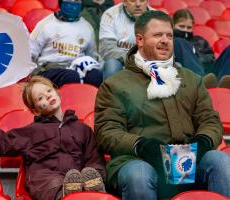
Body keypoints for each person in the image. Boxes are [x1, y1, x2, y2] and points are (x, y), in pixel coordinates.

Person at [94, 10, 230, 199]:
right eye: (158, 35)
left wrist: (202, 142)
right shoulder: (115, 84)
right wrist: (141, 145)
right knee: (138, 174)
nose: (165, 40)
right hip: (139, 160)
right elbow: (106, 132)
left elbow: (210, 120)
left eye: (169, 35)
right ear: (140, 40)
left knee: (221, 160)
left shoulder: (191, 80)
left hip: (188, 161)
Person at [0, 76, 106, 200]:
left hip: (76, 176)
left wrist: (96, 174)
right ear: (35, 110)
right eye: (40, 98)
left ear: (57, 92)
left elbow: (94, 158)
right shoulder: (32, 131)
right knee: (47, 181)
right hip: (45, 177)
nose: (47, 97)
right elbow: (4, 143)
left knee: (88, 173)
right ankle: (66, 194)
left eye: (49, 91)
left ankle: (87, 190)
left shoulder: (82, 129)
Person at [29, 0, 103, 88]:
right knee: (71, 76)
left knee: (95, 76)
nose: (72, 4)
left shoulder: (87, 27)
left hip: (77, 67)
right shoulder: (45, 24)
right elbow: (30, 53)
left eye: (76, 1)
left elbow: (92, 56)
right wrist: (35, 76)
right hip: (49, 69)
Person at [173, 9, 230, 84]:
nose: (185, 30)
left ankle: (224, 82)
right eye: (181, 26)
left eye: (189, 27)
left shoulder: (199, 40)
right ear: (173, 25)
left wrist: (197, 57)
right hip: (193, 74)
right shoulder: (172, 41)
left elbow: (211, 57)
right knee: (179, 41)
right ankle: (201, 82)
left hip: (209, 73)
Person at [99, 0, 149, 80]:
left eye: (142, 0)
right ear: (124, 2)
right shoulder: (110, 15)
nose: (138, 4)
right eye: (133, 0)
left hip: (146, 63)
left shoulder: (157, 18)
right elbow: (107, 49)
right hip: (119, 62)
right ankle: (109, 92)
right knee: (112, 64)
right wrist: (132, 60)